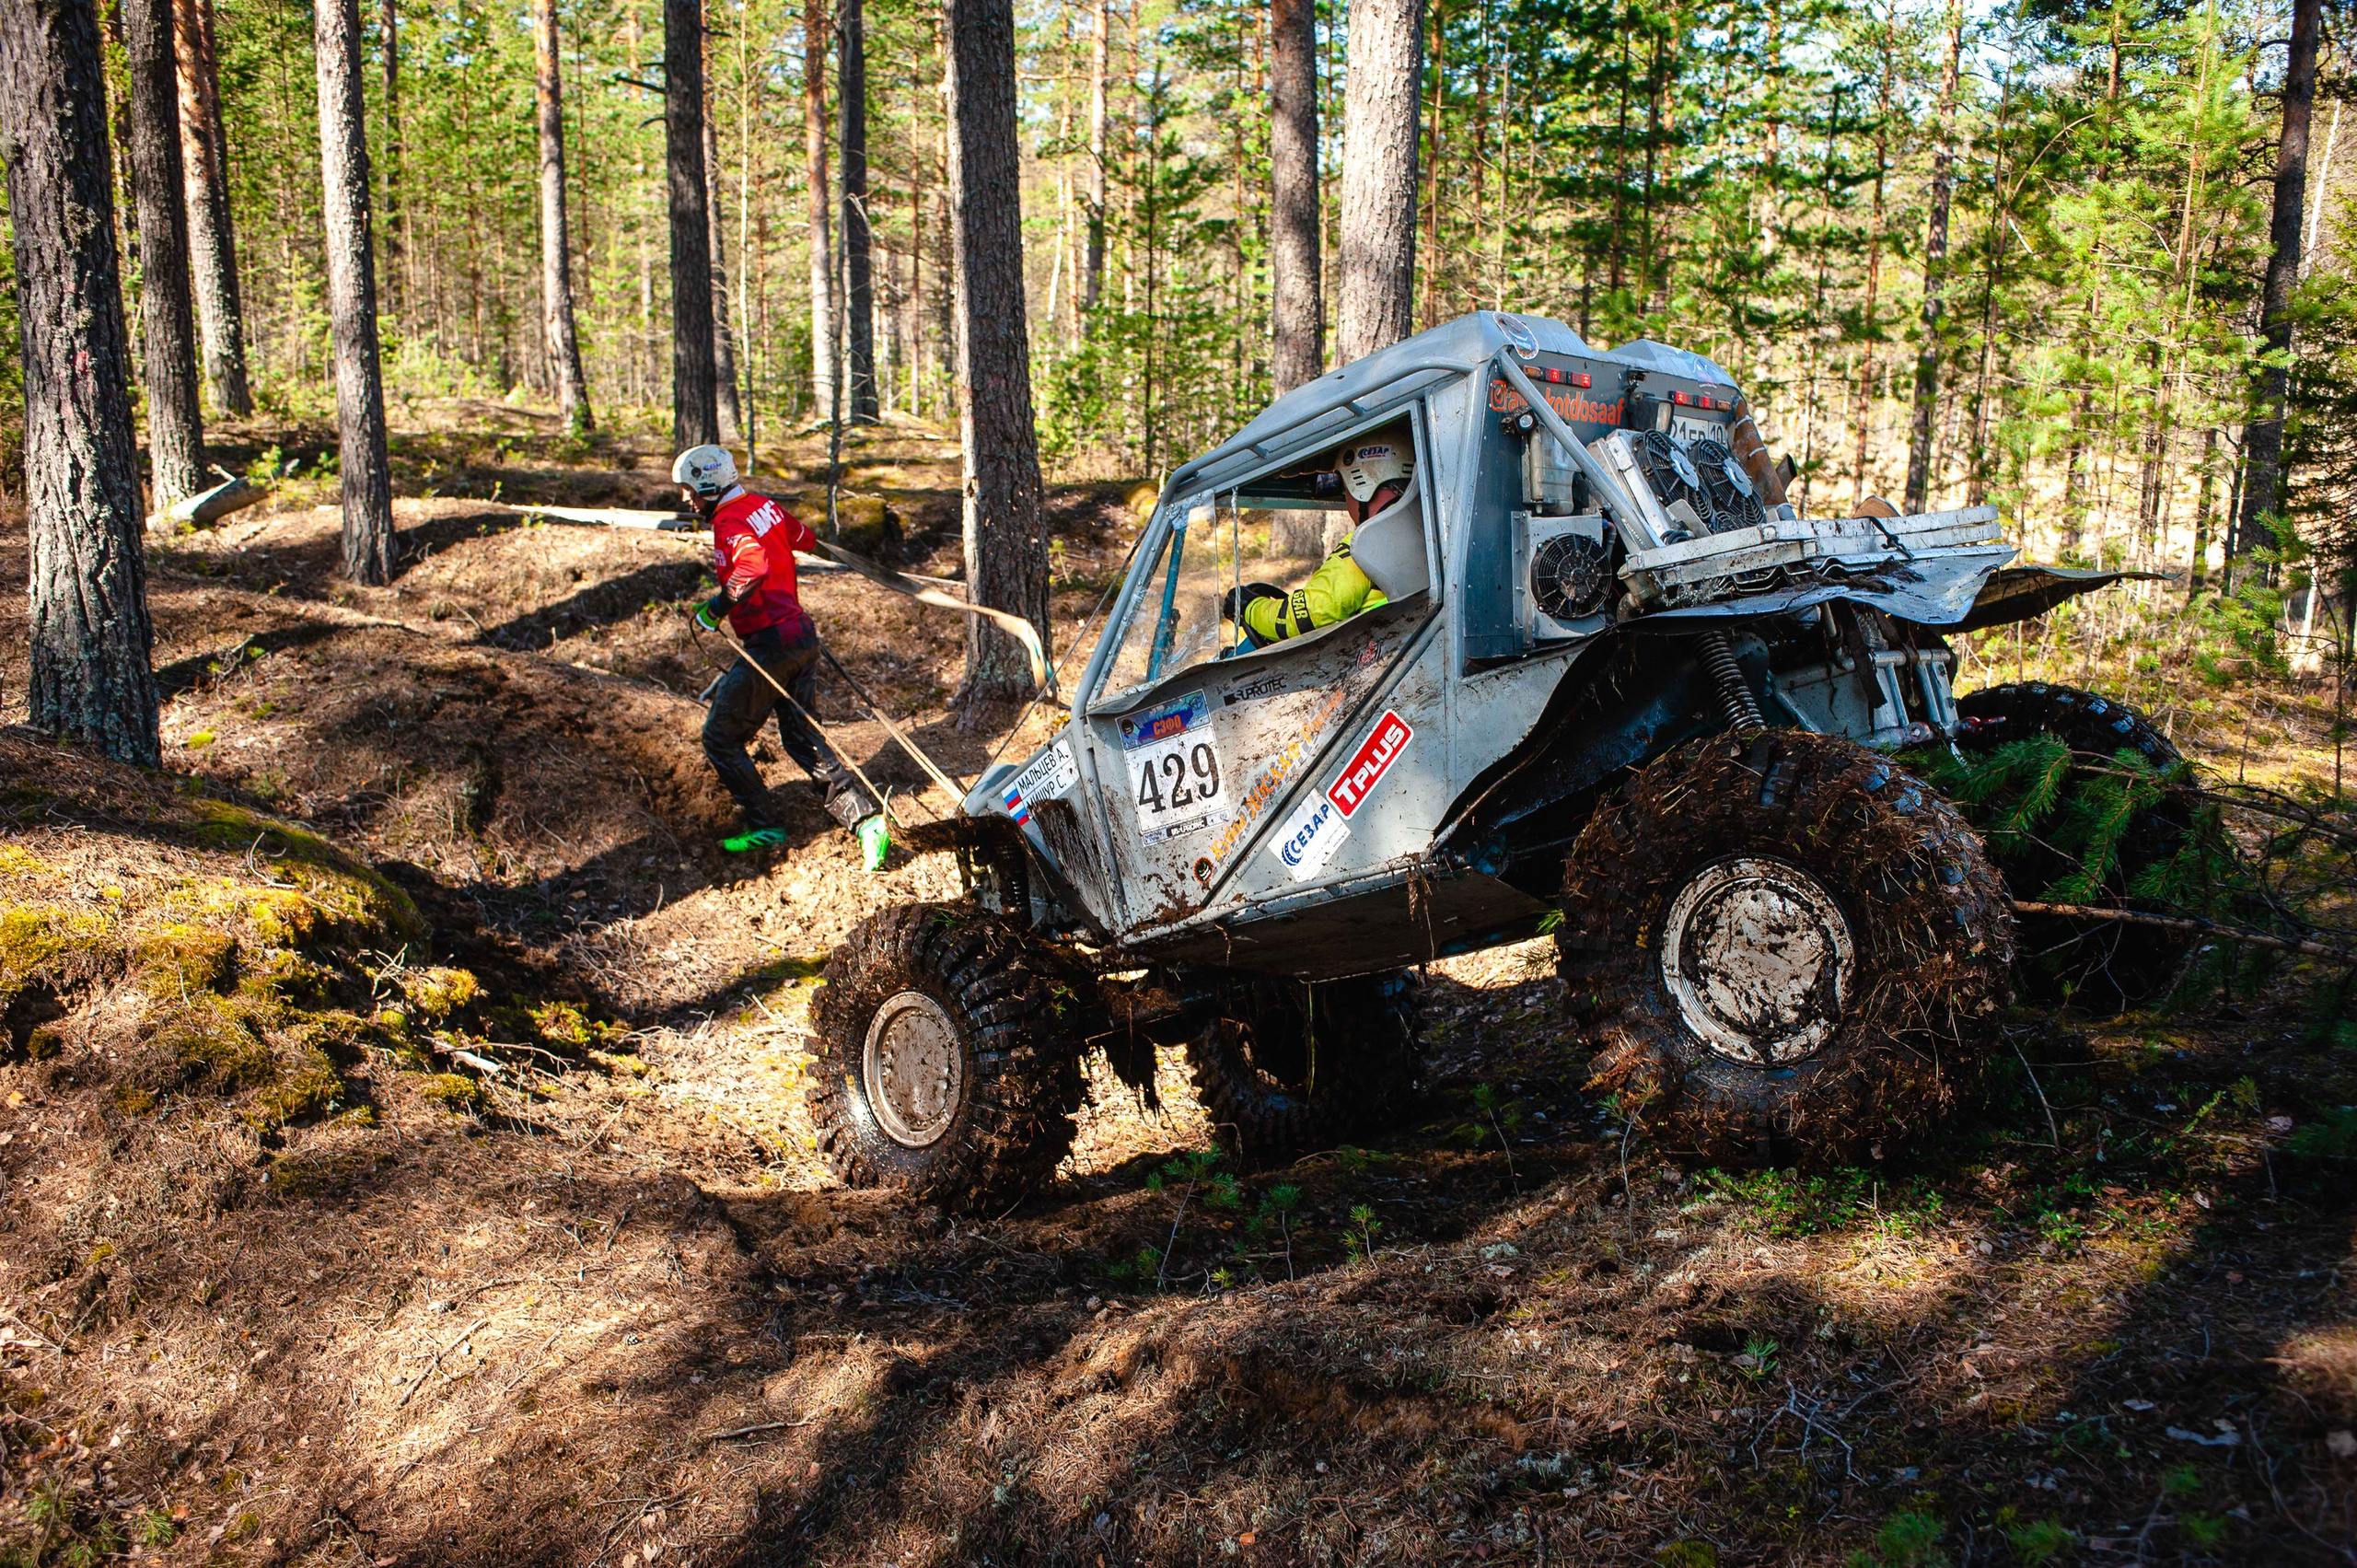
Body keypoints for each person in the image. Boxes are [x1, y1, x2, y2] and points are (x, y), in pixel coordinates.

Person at [675, 445, 879, 854]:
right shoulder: (762, 506)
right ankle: (867, 822)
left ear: (709, 485)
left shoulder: (730, 521)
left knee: (719, 737)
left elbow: (753, 567)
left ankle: (764, 826)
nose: (686, 499)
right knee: (801, 737)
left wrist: (716, 609)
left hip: (772, 644)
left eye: (689, 490)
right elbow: (803, 537)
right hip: (800, 636)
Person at [1222, 425, 1416, 649]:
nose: (1347, 502)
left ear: (1361, 484)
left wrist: (1248, 608)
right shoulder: (1428, 534)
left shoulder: (1366, 544)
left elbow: (1308, 613)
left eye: (1345, 489)